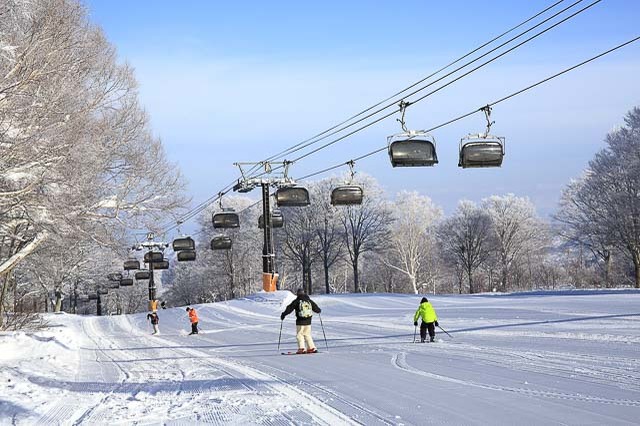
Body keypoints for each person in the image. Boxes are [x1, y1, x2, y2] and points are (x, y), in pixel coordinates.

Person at [281, 288, 321, 354]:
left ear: (298, 294)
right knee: (307, 334)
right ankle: (312, 348)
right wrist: (318, 310)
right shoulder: (309, 301)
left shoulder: (297, 301)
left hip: (300, 321)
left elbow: (289, 308)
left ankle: (302, 348)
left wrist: (283, 314)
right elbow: (317, 309)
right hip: (308, 321)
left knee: (299, 335)